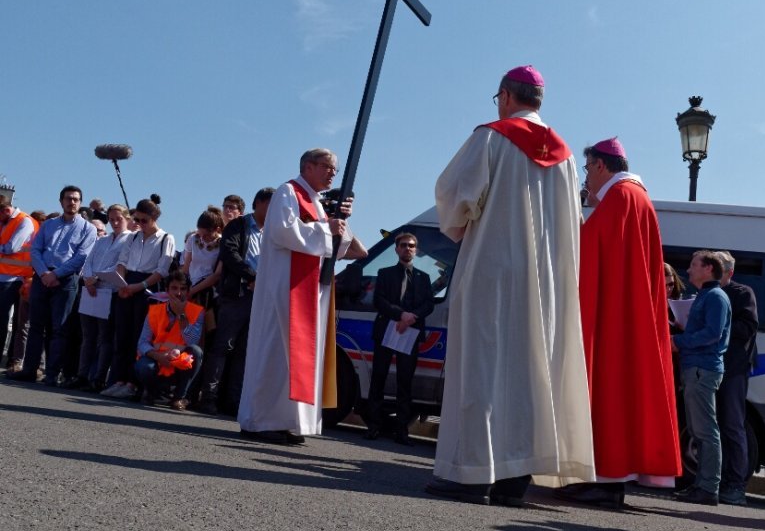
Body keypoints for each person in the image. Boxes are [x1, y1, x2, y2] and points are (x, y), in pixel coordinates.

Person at [426, 65, 594, 506]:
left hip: (492, 271)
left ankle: (471, 472)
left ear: (505, 96)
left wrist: (461, 227)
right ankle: (515, 475)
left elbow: (455, 195)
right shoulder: (567, 157)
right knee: (531, 373)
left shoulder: (491, 136)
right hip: (546, 283)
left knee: (481, 367)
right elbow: (575, 222)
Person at [574, 138, 681, 508]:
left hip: (613, 316)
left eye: (587, 168)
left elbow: (587, 248)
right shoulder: (637, 197)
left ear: (602, 166)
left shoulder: (619, 197)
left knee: (611, 390)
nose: (586, 178)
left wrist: (568, 227)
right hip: (627, 311)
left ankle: (608, 479)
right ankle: (605, 477)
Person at [237, 151, 366, 445]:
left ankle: (285, 421)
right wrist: (327, 228)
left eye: (334, 169)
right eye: (326, 167)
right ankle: (259, 420)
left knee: (294, 359)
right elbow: (284, 232)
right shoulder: (288, 192)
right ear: (307, 166)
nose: (332, 173)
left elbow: (346, 247)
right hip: (283, 289)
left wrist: (340, 220)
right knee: (275, 354)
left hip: (307, 291)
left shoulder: (318, 204)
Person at [199, 187, 274, 416]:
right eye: (271, 205)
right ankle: (209, 398)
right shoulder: (238, 225)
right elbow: (230, 254)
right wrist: (252, 276)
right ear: (260, 203)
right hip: (236, 295)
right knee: (223, 347)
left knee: (244, 351)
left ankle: (233, 401)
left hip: (259, 298)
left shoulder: (273, 232)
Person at [12, 186, 97, 385]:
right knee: (36, 326)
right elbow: (35, 250)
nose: (72, 202)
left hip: (66, 280)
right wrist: (44, 273)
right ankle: (30, 370)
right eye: (68, 198)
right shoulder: (49, 225)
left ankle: (52, 373)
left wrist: (56, 274)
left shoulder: (88, 229)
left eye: (76, 199)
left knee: (60, 329)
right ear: (61, 201)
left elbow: (81, 257)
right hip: (42, 277)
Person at [671, 250, 731, 505]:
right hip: (698, 367)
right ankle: (702, 486)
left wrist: (677, 341)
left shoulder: (715, 296)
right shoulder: (709, 296)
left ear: (708, 269)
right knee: (700, 430)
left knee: (705, 431)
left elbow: (712, 333)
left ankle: (707, 488)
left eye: (694, 265)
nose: (689, 270)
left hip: (701, 369)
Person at [364, 232, 435, 445]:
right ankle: (374, 427)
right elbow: (379, 301)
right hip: (387, 330)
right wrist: (400, 315)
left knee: (405, 382)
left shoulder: (424, 278)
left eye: (411, 246)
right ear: (396, 249)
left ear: (416, 250)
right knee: (378, 379)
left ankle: (402, 431)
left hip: (409, 334)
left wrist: (411, 318)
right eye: (403, 245)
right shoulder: (384, 273)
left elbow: (428, 304)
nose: (407, 249)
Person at [103, 195, 176, 400]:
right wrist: (121, 282)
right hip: (127, 284)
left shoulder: (165, 238)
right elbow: (122, 261)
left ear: (154, 218)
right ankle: (118, 379)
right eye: (137, 220)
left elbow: (162, 270)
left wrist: (138, 286)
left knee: (137, 336)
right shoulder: (133, 237)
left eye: (144, 220)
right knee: (121, 335)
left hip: (147, 288)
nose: (140, 224)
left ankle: (133, 383)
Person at [714, 251, 759, 507]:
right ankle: (715, 480)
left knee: (733, 425)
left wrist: (717, 323)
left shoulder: (742, 293)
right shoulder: (707, 292)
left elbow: (748, 328)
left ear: (729, 272)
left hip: (733, 369)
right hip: (713, 368)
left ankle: (736, 486)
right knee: (714, 426)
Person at [76, 204, 132, 391]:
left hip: (109, 292)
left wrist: (97, 278)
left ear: (126, 219)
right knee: (88, 336)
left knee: (104, 338)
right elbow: (89, 261)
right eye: (112, 219)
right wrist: (89, 279)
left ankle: (98, 377)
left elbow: (120, 265)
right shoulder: (102, 241)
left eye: (119, 219)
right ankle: (82, 374)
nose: (115, 223)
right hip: (91, 290)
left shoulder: (129, 240)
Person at [133, 270, 205, 411]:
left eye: (183, 289)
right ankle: (152, 393)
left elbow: (192, 342)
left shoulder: (197, 311)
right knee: (143, 367)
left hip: (180, 361)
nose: (179, 293)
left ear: (188, 291)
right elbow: (142, 343)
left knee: (196, 352)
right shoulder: (155, 311)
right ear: (167, 290)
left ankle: (179, 397)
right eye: (174, 288)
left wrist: (181, 315)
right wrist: (159, 356)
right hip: (158, 360)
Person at [0, 182, 37, 367]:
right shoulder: (9, 222)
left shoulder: (24, 221)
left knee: (14, 322)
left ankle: (13, 360)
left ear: (6, 210)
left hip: (18, 278)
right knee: (8, 319)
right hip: (7, 276)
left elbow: (11, 247)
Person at [183, 207, 224, 306]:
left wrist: (193, 291)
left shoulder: (223, 244)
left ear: (217, 230)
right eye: (200, 234)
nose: (202, 238)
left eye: (206, 235)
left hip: (210, 291)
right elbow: (186, 268)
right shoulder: (193, 239)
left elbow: (217, 275)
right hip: (192, 285)